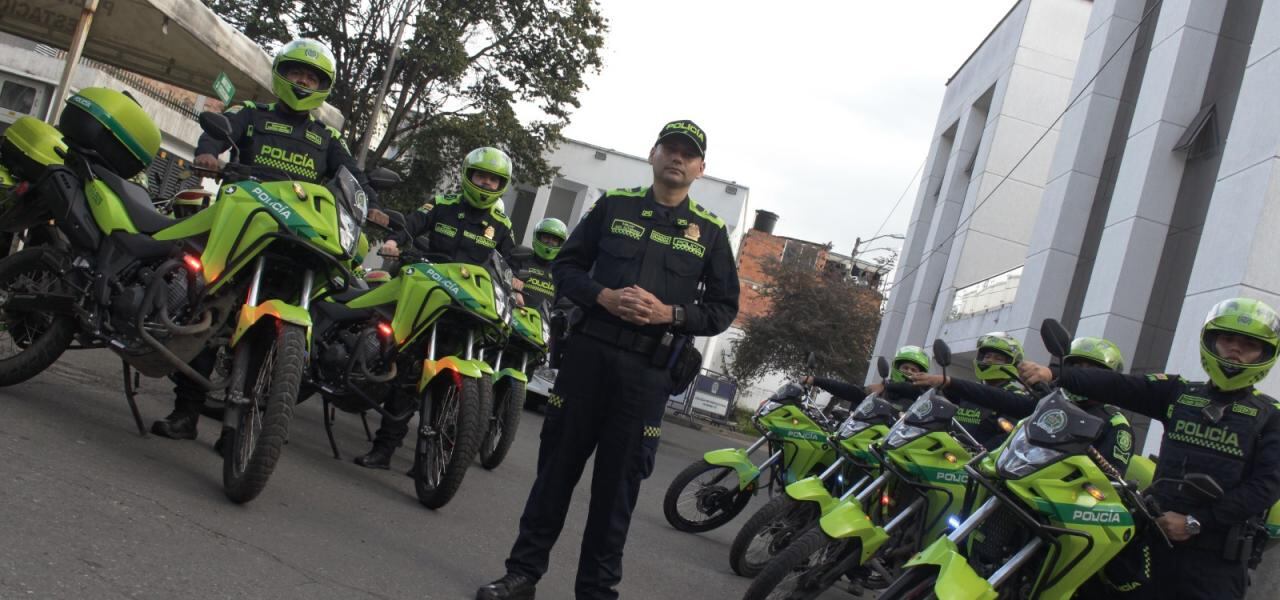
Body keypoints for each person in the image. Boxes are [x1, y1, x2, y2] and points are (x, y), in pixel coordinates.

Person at [476, 120, 739, 600]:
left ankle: (596, 593)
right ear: (654, 154)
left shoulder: (712, 234)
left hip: (646, 375)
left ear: (701, 169)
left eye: (688, 153)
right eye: (670, 149)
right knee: (554, 477)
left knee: (616, 494)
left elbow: (723, 310)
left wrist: (670, 313)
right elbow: (566, 267)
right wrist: (602, 297)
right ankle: (522, 575)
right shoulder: (614, 207)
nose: (677, 158)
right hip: (588, 359)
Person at [150, 38, 387, 441]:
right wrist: (209, 155)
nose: (302, 81)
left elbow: (355, 179)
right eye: (296, 73)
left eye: (312, 77)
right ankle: (185, 412)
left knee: (265, 337)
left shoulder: (327, 139)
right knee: (209, 312)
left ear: (322, 86)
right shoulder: (251, 113)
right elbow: (217, 134)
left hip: (294, 242)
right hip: (242, 227)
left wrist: (374, 207)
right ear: (281, 74)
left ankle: (236, 429)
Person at [1020, 298, 1280, 600]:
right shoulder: (1180, 393)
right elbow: (1119, 385)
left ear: (1265, 353)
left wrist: (1196, 523)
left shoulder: (1271, 416)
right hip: (1151, 540)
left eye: (1248, 344)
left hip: (1213, 561)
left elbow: (1265, 487)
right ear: (1211, 341)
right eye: (1227, 339)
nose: (1235, 349)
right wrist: (1057, 375)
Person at [353, 146, 519, 469]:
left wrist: (517, 283)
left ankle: (428, 460)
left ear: (501, 185)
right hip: (430, 300)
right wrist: (395, 242)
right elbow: (413, 224)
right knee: (406, 376)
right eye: (481, 176)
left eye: (493, 180)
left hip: (465, 312)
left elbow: (510, 264)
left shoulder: (501, 226)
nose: (485, 184)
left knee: (450, 387)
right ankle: (384, 450)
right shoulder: (442, 205)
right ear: (468, 176)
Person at [803, 345, 931, 412]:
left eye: (914, 370)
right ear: (897, 367)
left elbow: (910, 389)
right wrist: (816, 380)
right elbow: (849, 391)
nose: (909, 372)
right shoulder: (880, 391)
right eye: (905, 367)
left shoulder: (920, 395)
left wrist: (886, 386)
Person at [517, 217, 568, 311]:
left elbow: (565, 304)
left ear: (560, 244)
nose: (550, 242)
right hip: (516, 315)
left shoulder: (561, 272)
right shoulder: (521, 259)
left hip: (544, 323)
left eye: (555, 240)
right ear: (538, 237)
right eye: (546, 237)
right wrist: (514, 290)